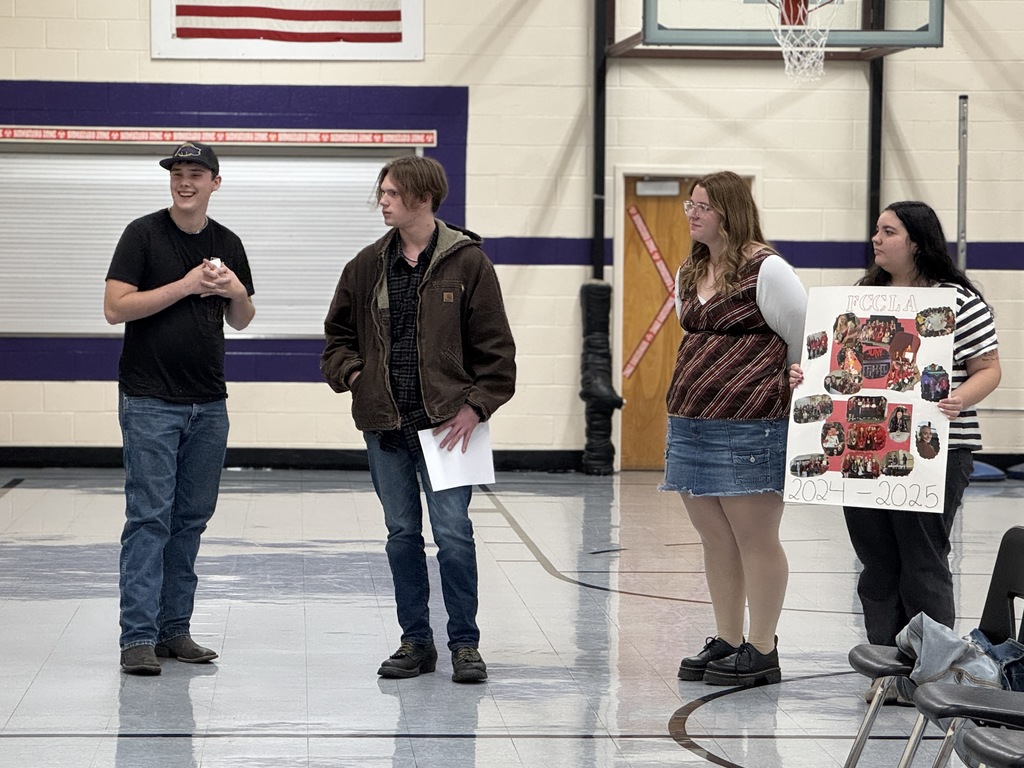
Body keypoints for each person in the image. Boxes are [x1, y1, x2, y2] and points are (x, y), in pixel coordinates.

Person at [321, 156, 516, 684]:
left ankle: (465, 645)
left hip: (448, 429)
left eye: (390, 193)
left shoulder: (469, 264)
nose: (381, 201)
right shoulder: (365, 266)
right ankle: (416, 642)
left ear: (423, 199)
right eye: (381, 192)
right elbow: (336, 338)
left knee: (453, 535)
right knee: (401, 533)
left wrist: (475, 407)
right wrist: (356, 375)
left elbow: (498, 354)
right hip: (386, 427)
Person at [790, 201, 1000, 653]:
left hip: (937, 451)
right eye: (877, 231)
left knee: (923, 559)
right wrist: (804, 375)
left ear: (917, 243)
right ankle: (885, 660)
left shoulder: (958, 301)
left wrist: (961, 397)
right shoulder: (859, 300)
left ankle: (932, 665)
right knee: (876, 561)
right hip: (862, 453)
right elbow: (831, 364)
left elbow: (989, 368)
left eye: (888, 232)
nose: (876, 239)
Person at [104, 141, 256, 675]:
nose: (184, 182)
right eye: (177, 173)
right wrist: (187, 285)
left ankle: (174, 630)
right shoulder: (142, 234)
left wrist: (236, 290)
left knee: (190, 520)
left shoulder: (228, 242)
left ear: (216, 182)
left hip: (208, 403)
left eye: (196, 173)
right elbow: (115, 308)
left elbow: (241, 319)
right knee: (149, 519)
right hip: (149, 399)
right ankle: (138, 638)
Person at [661, 171, 807, 688]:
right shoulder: (688, 270)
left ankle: (762, 648)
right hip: (691, 421)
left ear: (730, 212)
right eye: (689, 204)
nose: (692, 213)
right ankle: (727, 637)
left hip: (751, 425)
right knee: (714, 538)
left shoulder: (768, 270)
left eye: (702, 206)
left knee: (755, 538)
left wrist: (782, 387)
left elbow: (803, 337)